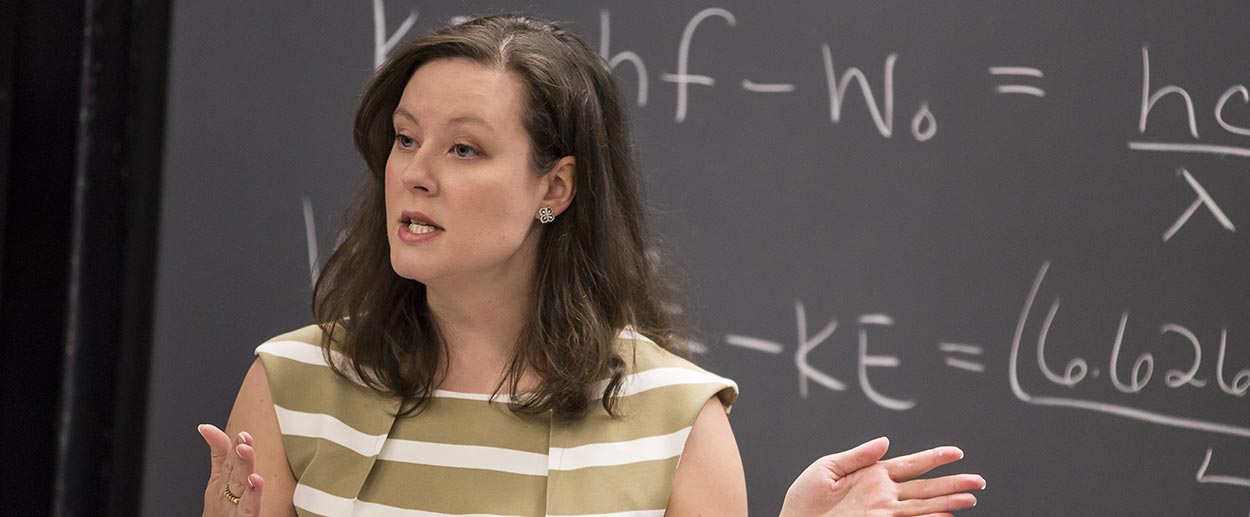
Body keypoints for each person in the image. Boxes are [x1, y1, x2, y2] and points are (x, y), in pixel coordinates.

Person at [198, 14, 984, 516]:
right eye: (406, 138)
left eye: (464, 148)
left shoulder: (676, 418)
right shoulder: (292, 383)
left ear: (556, 187)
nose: (415, 172)